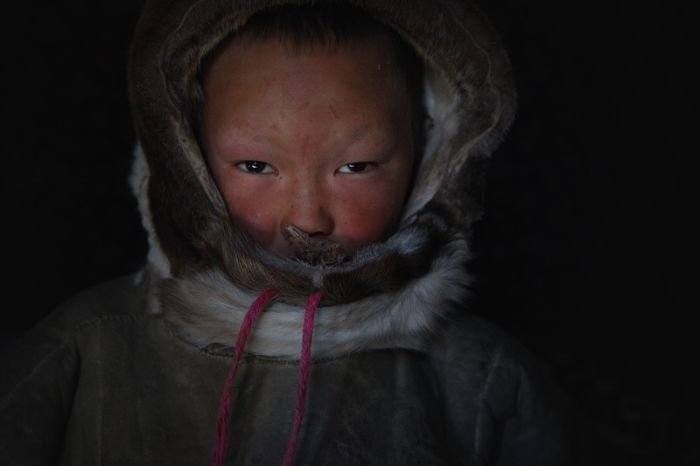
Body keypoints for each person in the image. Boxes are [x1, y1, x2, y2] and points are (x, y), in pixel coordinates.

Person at [1, 1, 586, 465]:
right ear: (187, 159)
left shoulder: (482, 378)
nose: (307, 218)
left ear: (432, 155)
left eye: (355, 167)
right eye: (255, 166)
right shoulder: (89, 348)